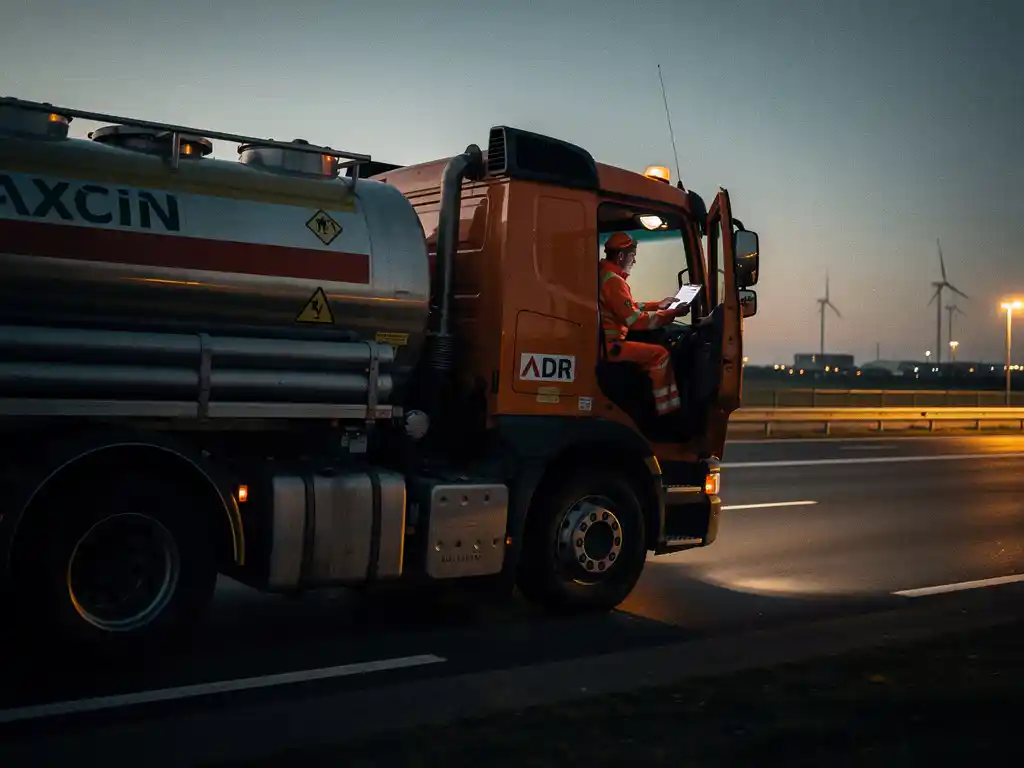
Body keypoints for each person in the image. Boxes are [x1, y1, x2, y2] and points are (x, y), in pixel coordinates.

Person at [599, 231, 690, 418]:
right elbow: (636, 321)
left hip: (608, 345)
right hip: (612, 347)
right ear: (622, 256)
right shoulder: (614, 282)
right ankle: (667, 414)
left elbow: (626, 306)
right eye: (632, 257)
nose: (634, 262)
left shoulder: (606, 276)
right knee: (661, 355)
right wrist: (672, 313)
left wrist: (658, 305)